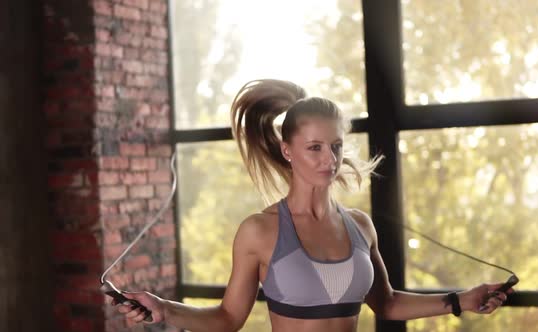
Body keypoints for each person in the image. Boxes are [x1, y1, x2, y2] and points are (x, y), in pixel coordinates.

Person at [114, 79, 513, 331]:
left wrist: (462, 300)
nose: (329, 159)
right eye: (315, 148)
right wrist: (163, 309)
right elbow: (228, 318)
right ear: (288, 151)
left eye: (336, 146)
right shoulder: (260, 230)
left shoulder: (360, 226)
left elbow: (387, 305)